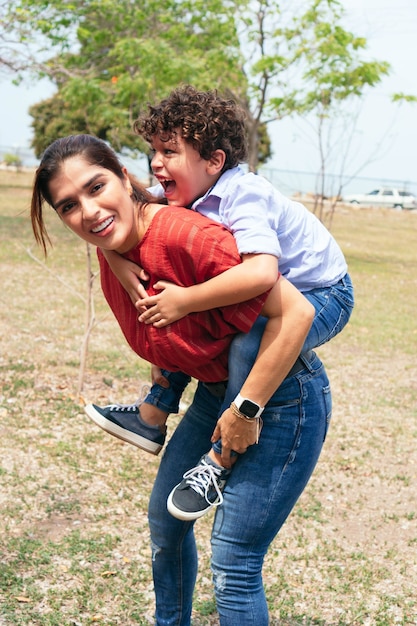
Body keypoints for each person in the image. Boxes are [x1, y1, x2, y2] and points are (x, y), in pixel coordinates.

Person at [30, 133, 330, 624]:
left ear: (126, 179)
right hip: (217, 391)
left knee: (234, 561)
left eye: (96, 186)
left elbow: (294, 311)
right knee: (166, 524)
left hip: (280, 399)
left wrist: (245, 410)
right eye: (68, 206)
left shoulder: (188, 236)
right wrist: (111, 253)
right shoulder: (118, 257)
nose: (88, 210)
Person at [88, 84, 354, 519]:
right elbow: (125, 218)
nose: (156, 162)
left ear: (214, 161)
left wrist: (187, 302)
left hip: (323, 291)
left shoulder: (241, 194)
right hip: (281, 290)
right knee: (184, 280)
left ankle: (219, 460)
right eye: (153, 150)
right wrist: (114, 258)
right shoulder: (186, 195)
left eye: (170, 151)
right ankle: (152, 414)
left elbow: (262, 272)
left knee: (248, 335)